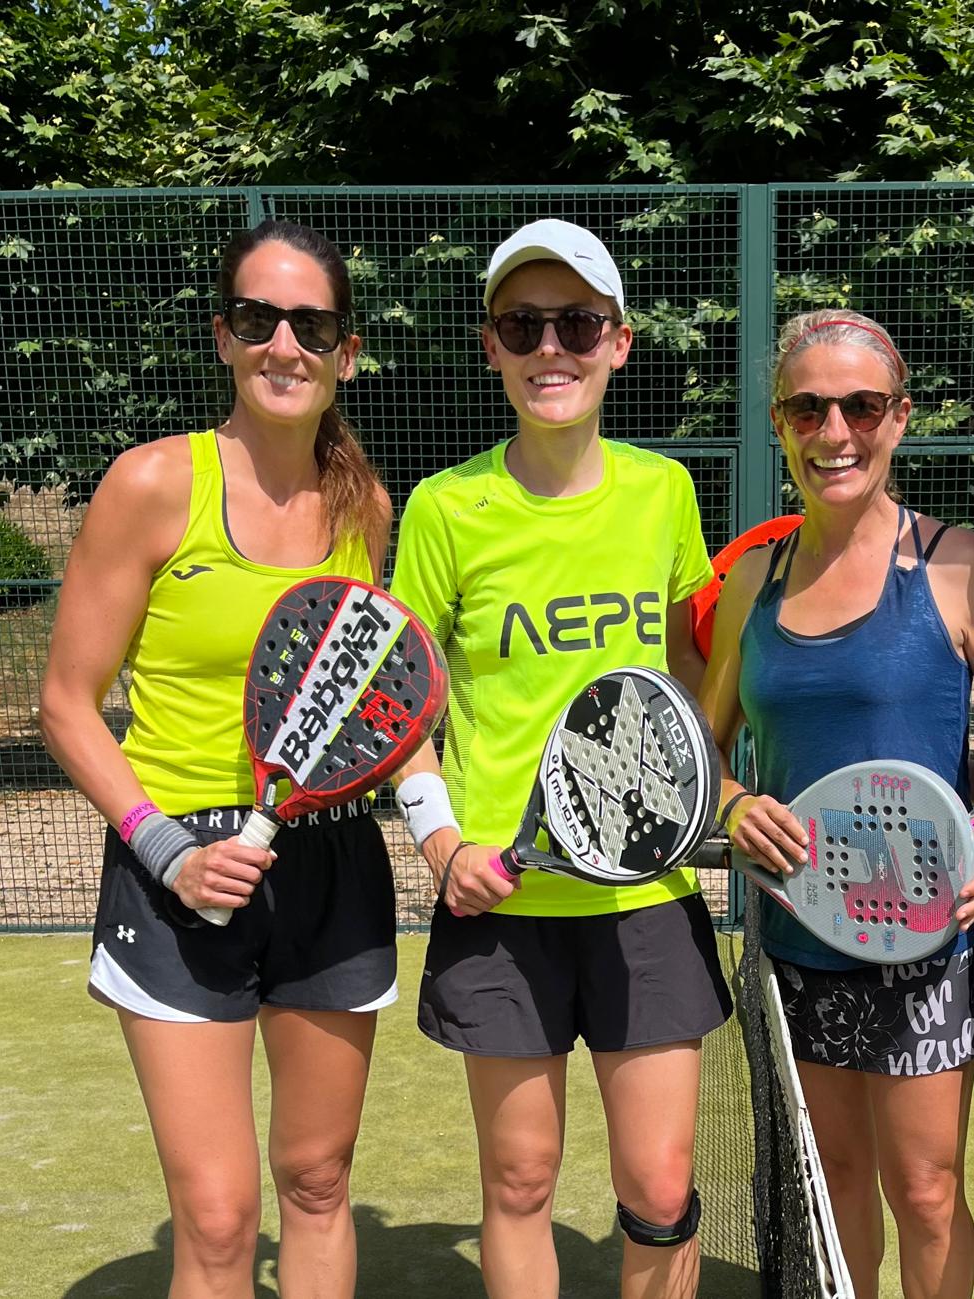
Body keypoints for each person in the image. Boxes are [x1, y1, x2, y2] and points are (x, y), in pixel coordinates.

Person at [39, 220, 394, 1299]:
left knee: (320, 1181)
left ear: (346, 350)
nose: (284, 343)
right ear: (225, 338)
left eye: (311, 323)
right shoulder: (151, 483)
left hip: (331, 867)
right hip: (178, 871)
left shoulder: (365, 509)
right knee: (220, 1217)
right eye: (258, 319)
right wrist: (164, 851)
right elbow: (65, 703)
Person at [386, 219, 731, 1299]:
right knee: (521, 1181)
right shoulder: (446, 508)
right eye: (522, 325)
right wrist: (443, 846)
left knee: (660, 1188)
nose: (551, 348)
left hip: (646, 899)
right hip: (503, 902)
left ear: (618, 343)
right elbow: (403, 712)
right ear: (491, 346)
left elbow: (684, 687)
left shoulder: (663, 493)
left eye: (576, 323)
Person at [695, 309, 974, 1299]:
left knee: (924, 1191)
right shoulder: (752, 577)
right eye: (808, 408)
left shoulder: (956, 565)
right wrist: (738, 803)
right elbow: (702, 751)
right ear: (781, 423)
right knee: (831, 1190)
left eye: (862, 406)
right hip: (798, 943)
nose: (837, 432)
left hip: (930, 948)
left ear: (901, 417)